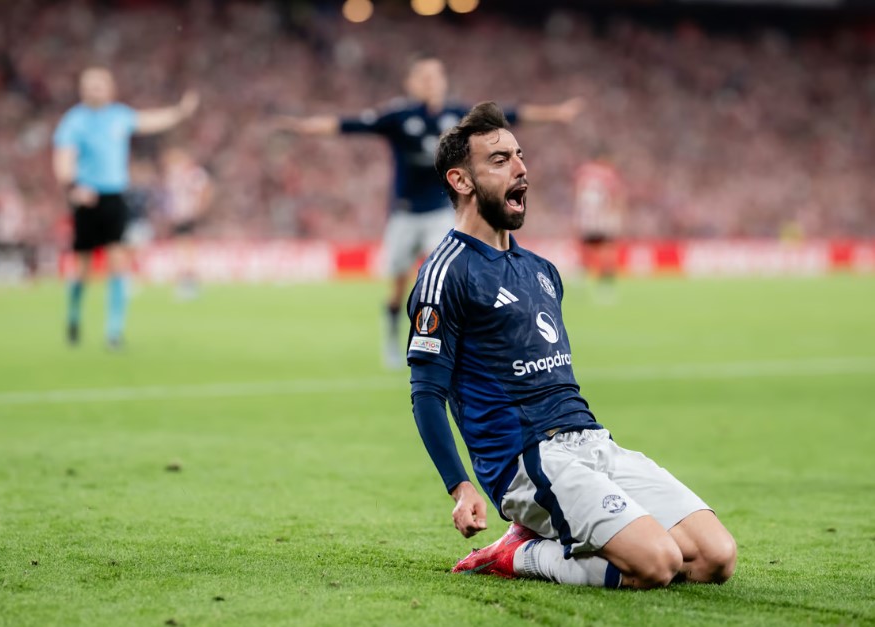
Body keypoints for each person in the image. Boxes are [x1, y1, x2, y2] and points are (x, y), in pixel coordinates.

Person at [406, 102, 736, 589]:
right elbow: (426, 393)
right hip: (528, 459)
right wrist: (460, 486)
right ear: (461, 181)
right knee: (658, 565)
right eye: (499, 160)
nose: (521, 168)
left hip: (594, 444)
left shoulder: (541, 270)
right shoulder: (446, 271)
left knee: (714, 558)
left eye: (520, 155)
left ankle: (548, 533)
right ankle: (518, 553)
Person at [277, 54, 584, 368]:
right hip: (404, 213)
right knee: (398, 283)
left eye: (435, 76)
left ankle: (453, 345)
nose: (430, 82)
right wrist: (303, 127)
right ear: (411, 84)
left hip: (439, 212)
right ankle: (391, 338)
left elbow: (511, 114)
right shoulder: (398, 115)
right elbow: (348, 124)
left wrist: (556, 114)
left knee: (447, 276)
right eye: (423, 77)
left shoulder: (459, 115)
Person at [52, 67, 199, 348]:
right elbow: (63, 158)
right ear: (82, 89)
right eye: (91, 85)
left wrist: (179, 112)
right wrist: (72, 188)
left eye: (100, 85)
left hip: (115, 196)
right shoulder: (74, 121)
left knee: (118, 262)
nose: (95, 90)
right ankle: (73, 317)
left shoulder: (119, 116)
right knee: (82, 266)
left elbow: (150, 120)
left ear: (110, 88)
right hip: (87, 198)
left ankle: (114, 331)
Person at [160, 146, 213, 300]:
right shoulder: (175, 175)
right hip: (179, 216)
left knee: (185, 249)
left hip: (186, 216)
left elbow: (205, 189)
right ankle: (187, 283)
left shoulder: (192, 173)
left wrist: (199, 207)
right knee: (182, 249)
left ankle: (188, 284)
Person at [575, 146, 626, 301]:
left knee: (587, 248)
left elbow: (579, 193)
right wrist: (618, 214)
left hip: (586, 217)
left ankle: (581, 280)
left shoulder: (584, 171)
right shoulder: (608, 173)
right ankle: (605, 287)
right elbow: (616, 194)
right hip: (603, 217)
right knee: (607, 251)